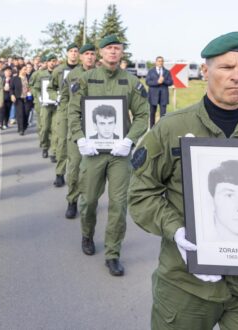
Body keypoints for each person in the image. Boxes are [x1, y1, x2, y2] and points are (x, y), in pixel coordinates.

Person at [128, 31, 238, 329]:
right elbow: (141, 194)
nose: (237, 76)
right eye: (227, 67)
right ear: (207, 71)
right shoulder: (172, 128)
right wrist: (177, 231)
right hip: (187, 284)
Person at [67, 35, 149, 276]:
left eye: (117, 48)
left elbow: (143, 115)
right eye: (108, 48)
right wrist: (80, 138)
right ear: (100, 52)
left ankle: (113, 253)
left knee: (118, 203)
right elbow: (73, 111)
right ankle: (87, 234)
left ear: (122, 52)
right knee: (89, 200)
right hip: (93, 152)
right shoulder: (85, 79)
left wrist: (129, 140)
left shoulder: (131, 82)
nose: (113, 52)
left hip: (119, 153)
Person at [60, 43, 97, 219]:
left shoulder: (101, 74)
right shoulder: (72, 75)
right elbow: (65, 97)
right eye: (86, 54)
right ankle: (72, 200)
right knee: (74, 166)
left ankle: (88, 200)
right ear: (80, 57)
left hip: (96, 127)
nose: (89, 57)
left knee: (91, 168)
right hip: (76, 127)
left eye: (92, 53)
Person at [49, 43, 80, 185]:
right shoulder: (59, 70)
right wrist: (56, 96)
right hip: (63, 110)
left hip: (80, 110)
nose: (73, 53)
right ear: (67, 53)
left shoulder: (83, 70)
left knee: (78, 142)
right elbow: (51, 87)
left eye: (76, 51)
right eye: (71, 51)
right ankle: (60, 173)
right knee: (62, 142)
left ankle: (77, 174)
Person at [31, 54, 58, 159]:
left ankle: (54, 151)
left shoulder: (59, 73)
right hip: (45, 105)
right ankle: (45, 146)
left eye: (54, 61)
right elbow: (35, 88)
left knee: (56, 129)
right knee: (45, 127)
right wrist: (39, 97)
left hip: (56, 104)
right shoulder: (41, 74)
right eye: (50, 61)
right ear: (46, 62)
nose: (52, 63)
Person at [145, 56, 173, 128]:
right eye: (159, 61)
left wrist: (164, 81)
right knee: (152, 113)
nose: (160, 62)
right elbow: (147, 82)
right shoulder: (151, 71)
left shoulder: (167, 72)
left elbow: (170, 82)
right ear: (156, 62)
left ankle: (162, 128)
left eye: (161, 61)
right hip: (153, 95)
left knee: (163, 114)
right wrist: (157, 82)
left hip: (163, 95)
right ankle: (152, 128)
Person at [10, 64, 30, 135]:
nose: (26, 70)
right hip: (18, 98)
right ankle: (21, 129)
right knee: (20, 113)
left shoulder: (28, 77)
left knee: (26, 113)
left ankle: (24, 125)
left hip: (28, 98)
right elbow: (11, 88)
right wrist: (12, 95)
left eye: (26, 69)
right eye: (24, 69)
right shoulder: (15, 78)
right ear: (20, 70)